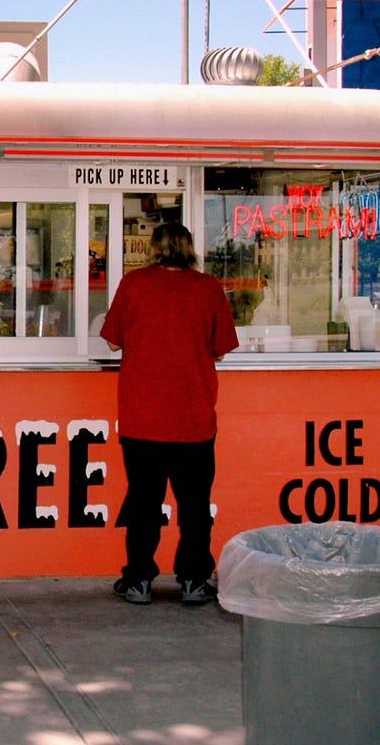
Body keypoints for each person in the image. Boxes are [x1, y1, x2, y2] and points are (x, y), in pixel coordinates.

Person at [100, 222, 239, 606]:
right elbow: (221, 349)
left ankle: (139, 580)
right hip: (193, 418)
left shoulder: (134, 284)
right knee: (195, 506)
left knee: (144, 503)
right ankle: (194, 580)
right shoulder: (208, 288)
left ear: (154, 248)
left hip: (142, 418)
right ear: (189, 248)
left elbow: (112, 342)